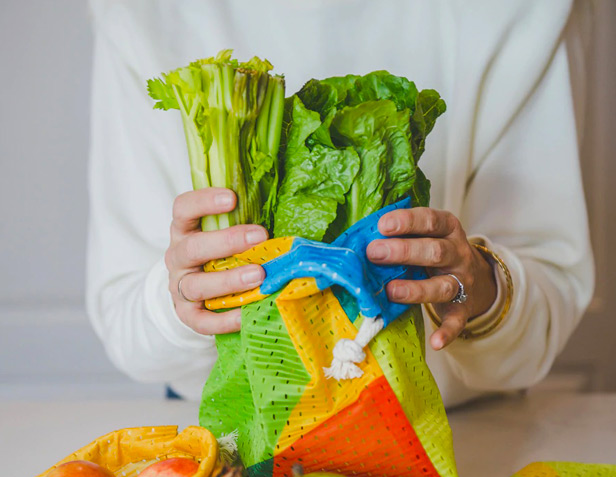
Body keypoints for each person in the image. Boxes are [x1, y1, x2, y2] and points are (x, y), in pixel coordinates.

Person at [86, 0, 594, 407]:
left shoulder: (524, 11)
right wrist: (184, 295)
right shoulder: (140, 14)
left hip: (462, 437)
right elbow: (126, 325)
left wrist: (480, 286)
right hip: (238, 439)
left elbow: (551, 294)